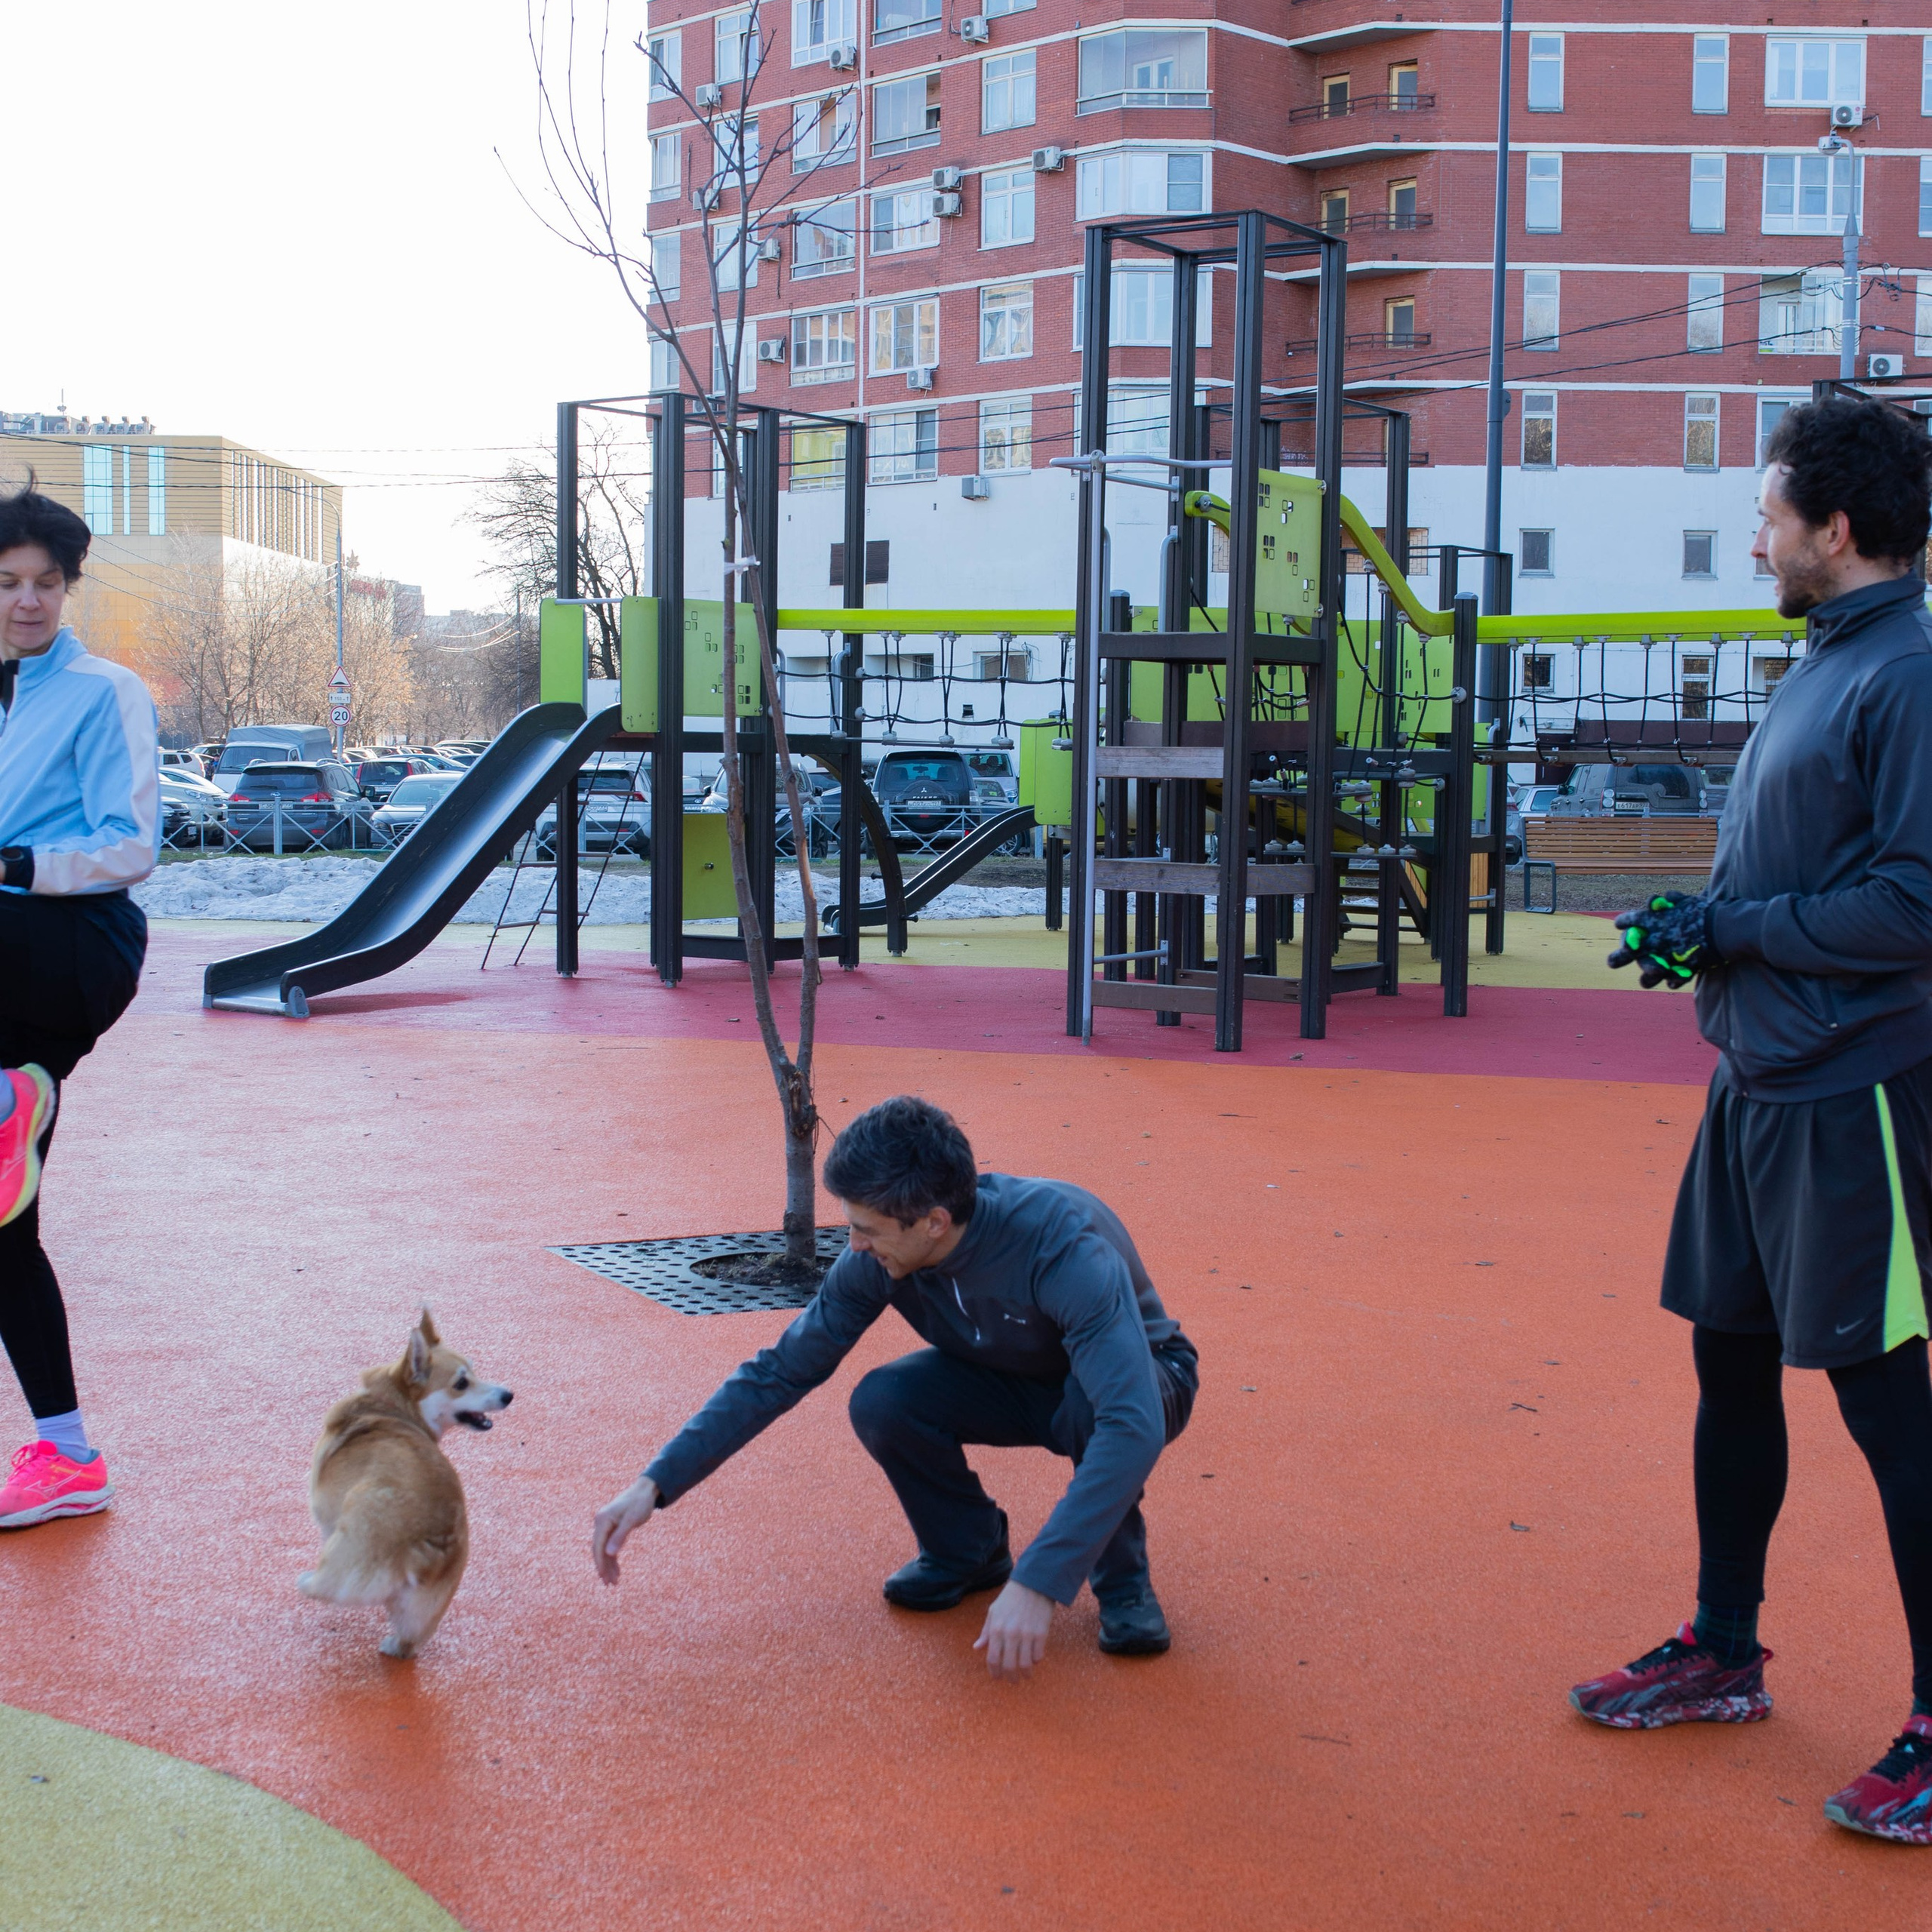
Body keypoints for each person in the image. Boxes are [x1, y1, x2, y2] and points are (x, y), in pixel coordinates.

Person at [1571, 398, 1932, 1842]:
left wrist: (1740, 926)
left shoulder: (1907, 673)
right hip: (1758, 1079)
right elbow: (1799, 880)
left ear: (1834, 531)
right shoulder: (1830, 658)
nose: (1755, 537)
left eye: (1771, 516)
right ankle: (1725, 1649)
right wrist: (1706, 932)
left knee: (1888, 1407)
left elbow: (1916, 900)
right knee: (1731, 1360)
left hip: (1858, 1090)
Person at [592, 1096, 1199, 1675]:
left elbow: (1131, 1422)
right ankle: (968, 1551)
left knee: (1093, 1411)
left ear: (935, 1221)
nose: (853, 1244)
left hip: (1144, 1380)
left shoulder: (1061, 1247)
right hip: (1014, 1377)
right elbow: (782, 1369)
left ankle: (1124, 1585)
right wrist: (656, 1482)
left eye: (867, 1229)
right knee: (886, 1401)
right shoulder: (877, 1257)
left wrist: (1042, 1581)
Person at [0, 481, 159, 1528]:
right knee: (5, 1230)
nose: (27, 602)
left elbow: (132, 845)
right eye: (8, 583)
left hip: (70, 939)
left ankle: (16, 1092)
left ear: (70, 588)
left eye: (46, 584)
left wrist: (18, 863)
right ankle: (67, 1456)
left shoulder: (106, 692)